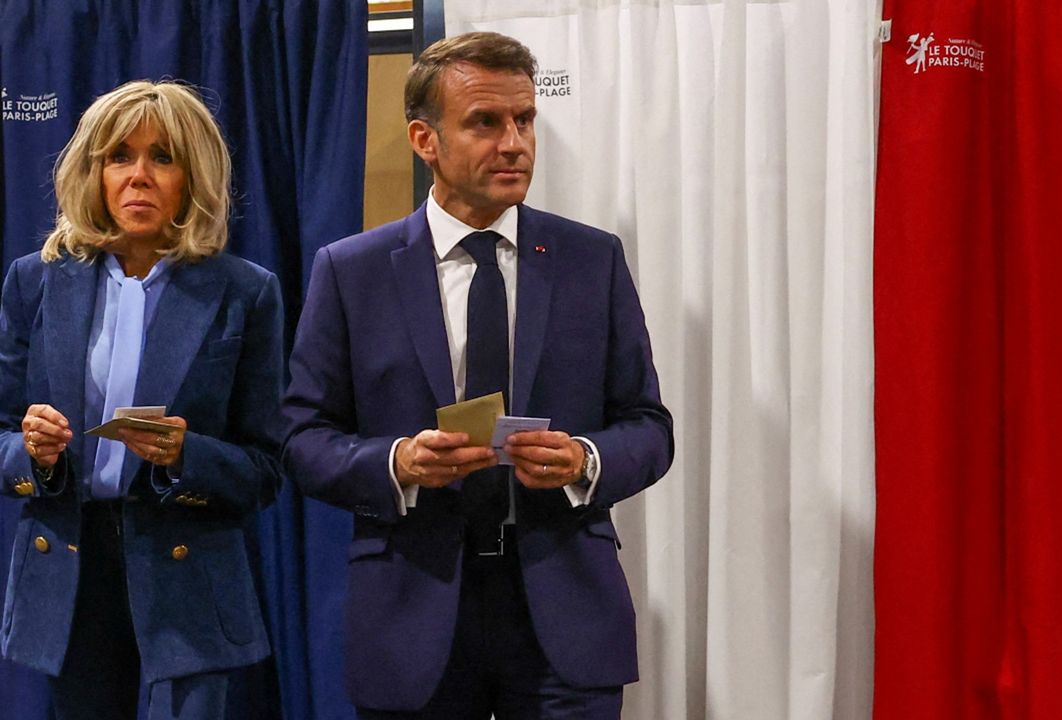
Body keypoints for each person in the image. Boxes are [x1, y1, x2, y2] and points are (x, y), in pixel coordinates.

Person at [282, 31, 674, 719]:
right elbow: (302, 439)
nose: (514, 142)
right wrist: (399, 462)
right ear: (423, 139)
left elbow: (649, 426)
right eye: (485, 122)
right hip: (413, 611)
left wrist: (584, 458)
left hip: (563, 613)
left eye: (524, 120)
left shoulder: (592, 260)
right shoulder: (351, 272)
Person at [0, 80, 286, 720]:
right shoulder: (35, 280)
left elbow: (266, 468)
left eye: (163, 158)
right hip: (70, 576)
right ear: (94, 172)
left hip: (186, 576)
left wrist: (187, 455)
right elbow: (0, 438)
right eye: (120, 157)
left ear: (193, 177)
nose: (139, 176)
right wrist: (33, 453)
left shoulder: (245, 292)